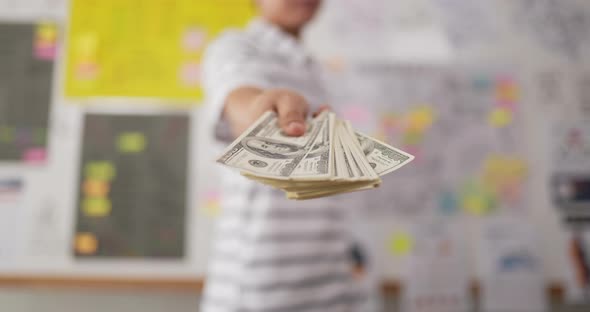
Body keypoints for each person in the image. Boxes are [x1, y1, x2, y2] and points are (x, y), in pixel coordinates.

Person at [199, 1, 369, 311]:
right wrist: (258, 108)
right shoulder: (235, 47)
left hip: (334, 286)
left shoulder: (320, 72)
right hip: (259, 293)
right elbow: (240, 99)